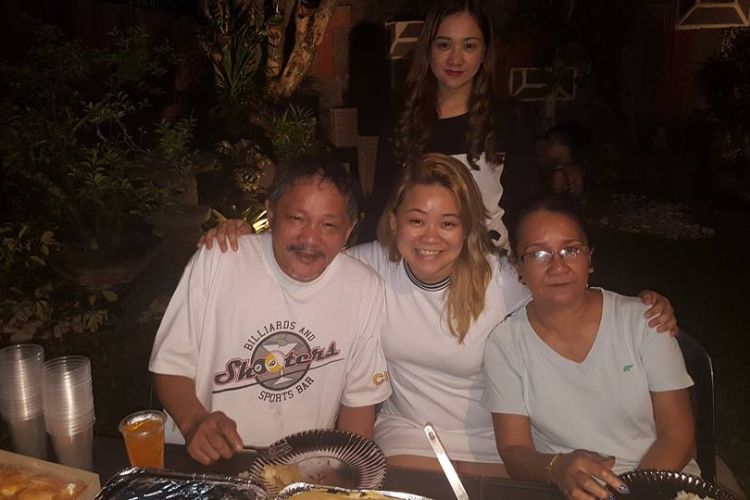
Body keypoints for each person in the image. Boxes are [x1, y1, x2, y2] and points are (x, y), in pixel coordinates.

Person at [201, 154, 678, 478]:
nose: (430, 237)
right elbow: (302, 253)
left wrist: (643, 307)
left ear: (468, 227)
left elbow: (564, 289)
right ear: (394, 222)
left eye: (448, 222)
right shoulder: (367, 266)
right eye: (416, 220)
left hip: (502, 438)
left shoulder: (503, 280)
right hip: (409, 435)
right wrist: (246, 240)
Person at [149, 156, 391, 465]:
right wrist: (194, 421)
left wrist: (348, 476)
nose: (310, 239)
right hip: (206, 459)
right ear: (271, 213)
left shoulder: (364, 287)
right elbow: (171, 364)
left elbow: (358, 401)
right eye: (297, 219)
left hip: (299, 468)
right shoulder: (221, 259)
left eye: (329, 225)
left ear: (348, 231)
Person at [482, 197, 698, 499]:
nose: (557, 266)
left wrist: (630, 494)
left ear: (590, 259)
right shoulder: (505, 345)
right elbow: (514, 450)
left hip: (662, 482)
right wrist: (557, 468)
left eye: (570, 250)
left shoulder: (644, 321)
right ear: (519, 267)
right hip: (571, 491)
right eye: (539, 253)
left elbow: (678, 437)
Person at [359, 0, 540, 246]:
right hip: (419, 262)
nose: (456, 59)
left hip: (490, 266)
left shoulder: (509, 118)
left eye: (469, 46)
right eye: (444, 45)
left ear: (484, 52)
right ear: (428, 49)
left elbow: (527, 206)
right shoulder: (401, 119)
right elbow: (382, 203)